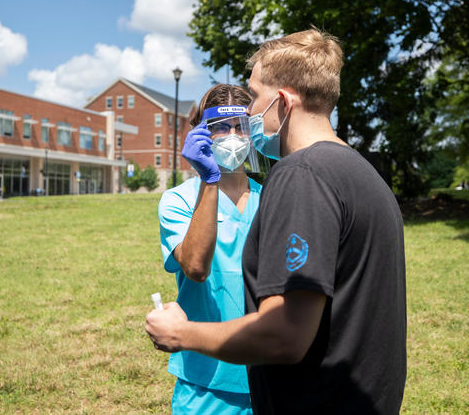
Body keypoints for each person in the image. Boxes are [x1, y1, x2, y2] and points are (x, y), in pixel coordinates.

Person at [146, 28, 407, 414]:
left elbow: (285, 335)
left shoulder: (299, 175)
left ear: (282, 102)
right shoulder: (364, 174)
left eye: (253, 99)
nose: (248, 115)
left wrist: (181, 333)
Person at [158, 84, 262, 414]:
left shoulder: (274, 197)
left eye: (241, 127)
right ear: (203, 133)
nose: (232, 136)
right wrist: (210, 180)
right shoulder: (177, 200)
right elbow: (195, 267)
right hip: (206, 379)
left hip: (270, 371)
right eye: (220, 127)